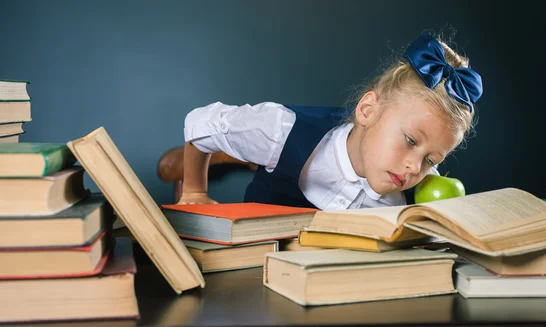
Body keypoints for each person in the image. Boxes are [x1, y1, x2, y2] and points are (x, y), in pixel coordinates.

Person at [178, 31, 483, 210]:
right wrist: (194, 191)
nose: (415, 168)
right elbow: (203, 123)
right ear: (367, 110)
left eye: (431, 159)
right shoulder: (281, 132)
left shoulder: (418, 194)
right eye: (410, 141)